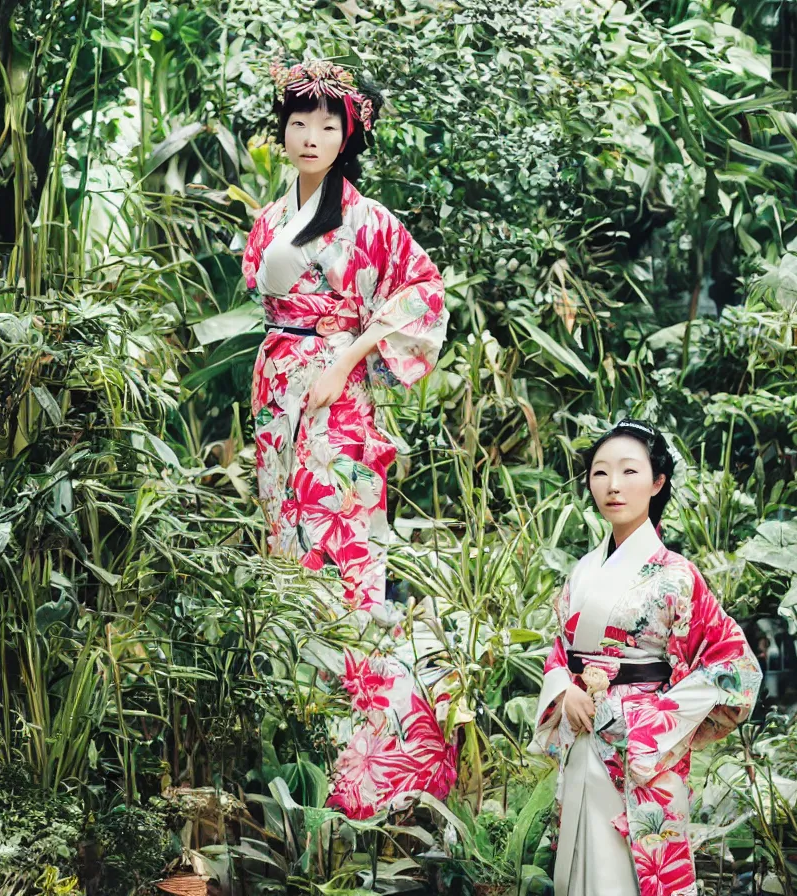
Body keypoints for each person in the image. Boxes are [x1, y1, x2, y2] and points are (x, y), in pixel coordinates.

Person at [242, 57, 454, 819]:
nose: (310, 136)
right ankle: (294, 739)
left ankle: (367, 757)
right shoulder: (270, 219)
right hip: (277, 397)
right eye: (298, 122)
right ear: (284, 131)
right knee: (284, 545)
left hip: (338, 398)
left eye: (327, 124)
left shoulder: (370, 220)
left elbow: (423, 295)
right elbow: (265, 295)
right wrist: (297, 367)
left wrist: (350, 355)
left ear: (346, 135)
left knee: (345, 548)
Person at [529, 418, 762, 896]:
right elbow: (561, 652)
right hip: (582, 735)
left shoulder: (678, 575)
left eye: (629, 472)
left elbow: (734, 664)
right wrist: (564, 688)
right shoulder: (582, 571)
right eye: (600, 473)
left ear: (657, 482)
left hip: (640, 748)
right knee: (580, 864)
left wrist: (653, 719)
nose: (613, 486)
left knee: (633, 872)